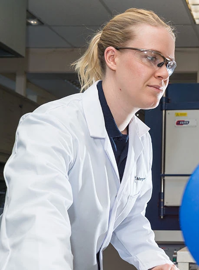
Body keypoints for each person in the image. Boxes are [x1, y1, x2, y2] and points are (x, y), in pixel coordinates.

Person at [0, 8, 178, 270]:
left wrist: (156, 263)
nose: (164, 73)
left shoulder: (140, 138)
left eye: (169, 64)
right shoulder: (52, 125)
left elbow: (127, 218)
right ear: (112, 58)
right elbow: (38, 228)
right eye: (153, 58)